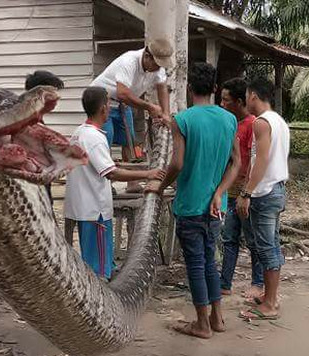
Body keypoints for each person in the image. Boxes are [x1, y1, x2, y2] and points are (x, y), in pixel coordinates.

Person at [147, 63, 241, 339]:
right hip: (216, 206)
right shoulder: (228, 119)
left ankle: (201, 323)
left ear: (190, 89)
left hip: (190, 204)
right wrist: (220, 192)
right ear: (214, 88)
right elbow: (236, 163)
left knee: (196, 264)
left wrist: (162, 185)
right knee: (210, 261)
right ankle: (217, 317)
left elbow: (176, 162)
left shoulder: (183, 120)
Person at [64, 86, 165, 280]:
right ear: (103, 108)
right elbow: (111, 173)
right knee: (99, 267)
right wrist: (148, 173)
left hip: (83, 205)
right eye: (108, 105)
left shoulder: (79, 133)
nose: (110, 109)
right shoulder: (94, 138)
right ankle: (102, 293)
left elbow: (96, 165)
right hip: (95, 208)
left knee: (94, 257)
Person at [237, 77, 290, 320]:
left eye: (247, 95)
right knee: (271, 244)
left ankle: (270, 304)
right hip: (276, 188)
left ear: (253, 96)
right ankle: (270, 296)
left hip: (265, 192)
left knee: (266, 247)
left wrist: (247, 192)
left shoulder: (261, 123)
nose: (245, 100)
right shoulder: (279, 121)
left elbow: (262, 161)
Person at [90, 38, 173, 193]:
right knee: (104, 141)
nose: (157, 69)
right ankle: (105, 184)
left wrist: (166, 113)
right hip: (102, 102)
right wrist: (149, 106)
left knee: (129, 142)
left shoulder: (157, 68)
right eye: (155, 64)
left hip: (124, 104)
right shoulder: (129, 61)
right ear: (147, 56)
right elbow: (122, 93)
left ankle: (132, 182)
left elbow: (162, 87)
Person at [218, 78, 264, 298]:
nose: (222, 104)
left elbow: (254, 161)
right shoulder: (229, 123)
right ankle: (224, 283)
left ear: (238, 102)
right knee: (229, 238)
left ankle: (258, 283)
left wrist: (246, 193)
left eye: (226, 100)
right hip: (230, 191)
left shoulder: (253, 124)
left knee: (252, 240)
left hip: (246, 194)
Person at [24, 70, 65, 206]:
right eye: (53, 92)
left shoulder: (36, 119)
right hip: (32, 192)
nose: (57, 97)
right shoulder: (26, 122)